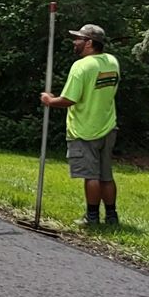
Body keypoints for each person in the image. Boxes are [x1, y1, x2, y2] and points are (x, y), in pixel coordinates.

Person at [41, 23, 121, 225]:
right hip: (108, 126)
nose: (74, 42)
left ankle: (91, 217)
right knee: (106, 175)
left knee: (91, 176)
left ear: (90, 43)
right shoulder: (112, 62)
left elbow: (69, 99)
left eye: (78, 39)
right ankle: (111, 216)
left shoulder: (82, 66)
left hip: (85, 130)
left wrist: (50, 101)